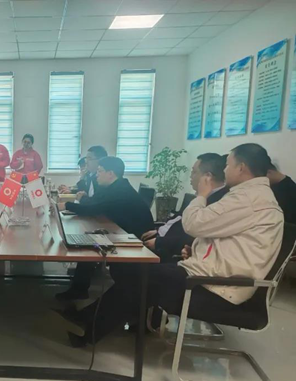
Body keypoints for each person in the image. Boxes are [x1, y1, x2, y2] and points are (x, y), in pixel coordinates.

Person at [75, 143, 284, 346]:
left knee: (139, 276)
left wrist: (201, 195)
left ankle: (90, 329)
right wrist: (196, 250)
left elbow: (194, 224)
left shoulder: (248, 199)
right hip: (210, 275)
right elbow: (227, 238)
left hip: (215, 286)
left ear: (241, 168)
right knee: (136, 272)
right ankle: (91, 322)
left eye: (228, 165)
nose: (225, 170)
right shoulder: (252, 196)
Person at [55, 156, 154, 301]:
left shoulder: (120, 190)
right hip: (121, 231)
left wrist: (66, 205)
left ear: (110, 173)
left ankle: (79, 289)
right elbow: (93, 203)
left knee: (90, 242)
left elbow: (93, 208)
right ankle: (79, 288)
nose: (96, 175)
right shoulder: (113, 187)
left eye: (100, 171)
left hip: (136, 240)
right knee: (90, 238)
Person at [141, 153, 229, 263]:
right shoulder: (205, 196)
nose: (191, 176)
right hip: (164, 242)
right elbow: (179, 220)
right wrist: (159, 230)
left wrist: (159, 243)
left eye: (194, 172)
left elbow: (192, 233)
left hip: (172, 254)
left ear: (207, 177)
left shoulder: (217, 201)